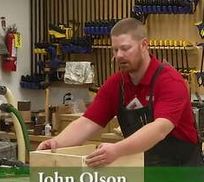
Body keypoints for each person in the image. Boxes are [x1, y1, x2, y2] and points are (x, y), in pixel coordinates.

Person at [37, 17, 203, 168]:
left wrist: (117, 150)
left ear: (144, 45)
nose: (119, 55)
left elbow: (159, 129)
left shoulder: (170, 81)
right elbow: (87, 123)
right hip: (143, 174)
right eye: (115, 50)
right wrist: (56, 143)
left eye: (125, 48)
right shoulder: (116, 84)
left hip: (183, 176)